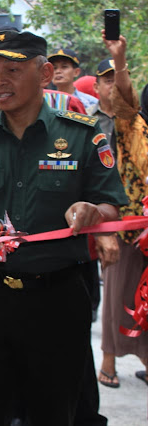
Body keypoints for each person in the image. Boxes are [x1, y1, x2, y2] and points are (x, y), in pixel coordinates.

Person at [0, 29, 127, 425]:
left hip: (57, 295)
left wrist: (93, 210)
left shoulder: (83, 135)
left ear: (44, 74)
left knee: (54, 408)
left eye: (12, 69)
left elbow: (111, 205)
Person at [96, 33, 148, 389]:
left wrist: (121, 61)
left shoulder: (134, 125)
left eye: (119, 78)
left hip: (145, 227)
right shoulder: (125, 128)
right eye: (108, 80)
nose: (114, 86)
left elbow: (126, 103)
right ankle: (109, 362)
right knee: (117, 296)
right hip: (121, 225)